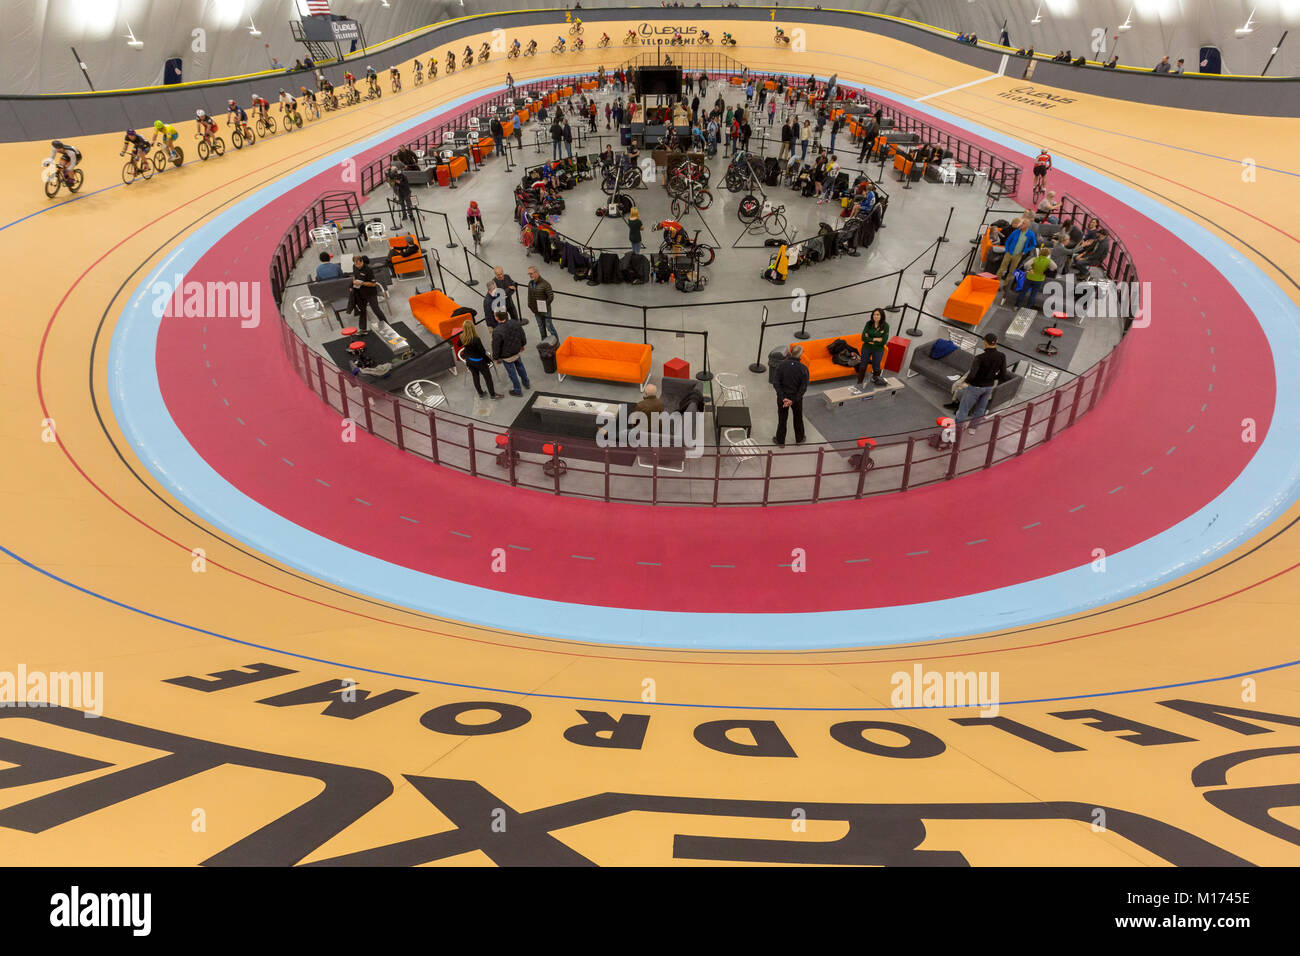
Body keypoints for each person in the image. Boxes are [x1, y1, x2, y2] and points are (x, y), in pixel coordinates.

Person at [956, 334, 1009, 430]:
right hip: (989, 387)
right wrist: (992, 377)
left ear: (985, 342)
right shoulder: (1002, 356)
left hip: (976, 387)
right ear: (996, 342)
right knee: (980, 409)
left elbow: (972, 374)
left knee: (964, 409)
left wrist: (964, 383)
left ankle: (958, 429)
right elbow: (1003, 374)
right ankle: (972, 428)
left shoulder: (979, 358)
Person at [772, 344, 809, 446]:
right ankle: (800, 439)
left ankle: (780, 441)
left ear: (791, 352)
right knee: (798, 418)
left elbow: (776, 383)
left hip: (782, 399)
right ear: (800, 354)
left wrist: (783, 398)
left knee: (782, 419)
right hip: (796, 400)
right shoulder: (803, 369)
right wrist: (793, 400)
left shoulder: (781, 365)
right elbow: (803, 388)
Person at [491, 312, 531, 395]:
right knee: (520, 367)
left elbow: (496, 346)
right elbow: (522, 334)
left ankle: (517, 390)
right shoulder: (514, 322)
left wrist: (496, 358)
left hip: (507, 356)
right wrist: (522, 345)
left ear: (497, 318)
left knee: (512, 373)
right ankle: (526, 383)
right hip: (516, 351)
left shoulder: (497, 331)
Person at [458, 321, 499, 399]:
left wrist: (462, 333)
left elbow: (459, 344)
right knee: (488, 378)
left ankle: (480, 394)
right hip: (479, 362)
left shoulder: (462, 337)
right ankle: (493, 395)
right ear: (473, 328)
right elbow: (482, 352)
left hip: (470, 361)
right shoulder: (476, 339)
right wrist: (489, 360)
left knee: (475, 377)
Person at [349, 255, 387, 333]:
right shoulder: (354, 266)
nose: (357, 266)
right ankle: (363, 329)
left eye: (359, 264)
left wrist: (362, 283)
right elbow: (354, 276)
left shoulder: (368, 270)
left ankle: (386, 324)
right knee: (362, 311)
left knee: (376, 309)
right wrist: (352, 285)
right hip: (360, 293)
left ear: (362, 261)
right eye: (356, 264)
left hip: (370, 293)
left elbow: (373, 284)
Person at [997, 218, 1037, 289]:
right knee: (1002, 268)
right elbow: (1008, 241)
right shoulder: (1016, 232)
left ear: (1027, 225)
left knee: (1011, 271)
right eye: (1021, 223)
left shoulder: (1030, 234)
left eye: (1023, 223)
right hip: (1009, 253)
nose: (1021, 224)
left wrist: (1026, 250)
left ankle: (1005, 285)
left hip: (1018, 255)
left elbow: (1033, 244)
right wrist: (1007, 250)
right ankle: (996, 282)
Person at [855, 309, 889, 387]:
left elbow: (883, 341)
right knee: (863, 365)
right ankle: (859, 383)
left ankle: (875, 380)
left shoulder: (886, 326)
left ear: (881, 316)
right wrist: (876, 339)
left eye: (878, 315)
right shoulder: (869, 323)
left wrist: (869, 339)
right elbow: (863, 338)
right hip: (866, 348)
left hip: (878, 350)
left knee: (876, 366)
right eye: (874, 314)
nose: (875, 316)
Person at [1015, 243, 1055, 310]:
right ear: (1048, 254)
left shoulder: (1035, 259)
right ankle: (1028, 308)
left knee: (1023, 292)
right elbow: (1054, 267)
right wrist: (1046, 271)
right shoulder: (1049, 261)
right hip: (1039, 280)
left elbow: (1026, 265)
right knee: (1033, 294)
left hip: (1029, 278)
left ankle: (1016, 306)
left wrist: (1030, 269)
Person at [526, 266, 557, 339]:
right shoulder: (530, 283)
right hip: (536, 310)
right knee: (541, 327)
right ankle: (544, 343)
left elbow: (551, 296)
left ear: (537, 273)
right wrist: (529, 305)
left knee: (549, 327)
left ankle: (556, 342)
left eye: (531, 273)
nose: (530, 275)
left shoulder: (545, 284)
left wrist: (544, 306)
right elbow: (529, 295)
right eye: (529, 274)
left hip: (545, 310)